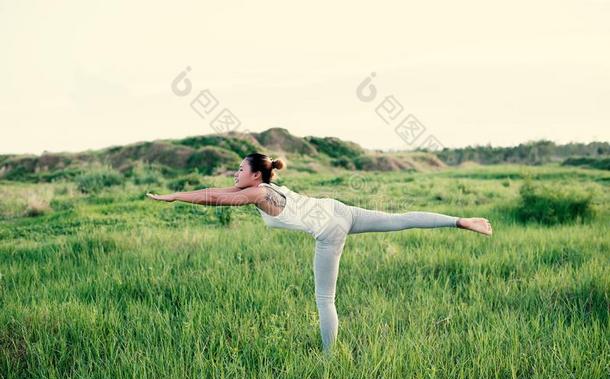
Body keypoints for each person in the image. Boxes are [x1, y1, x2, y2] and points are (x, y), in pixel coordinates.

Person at [146, 152, 493, 354]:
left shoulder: (255, 193)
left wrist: (174, 197)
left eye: (240, 169)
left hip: (330, 230)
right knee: (400, 220)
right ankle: (461, 221)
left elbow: (217, 198)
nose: (235, 173)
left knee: (325, 300)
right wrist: (177, 193)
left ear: (254, 176)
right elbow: (217, 190)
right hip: (338, 210)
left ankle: (328, 361)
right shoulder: (264, 186)